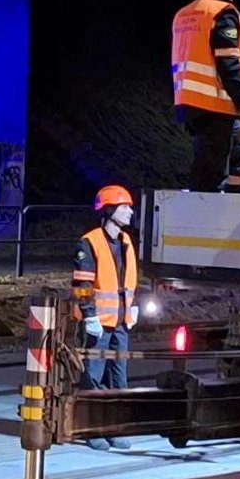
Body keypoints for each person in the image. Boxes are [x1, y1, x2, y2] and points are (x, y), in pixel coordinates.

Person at [172, 0, 240, 193]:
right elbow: (228, 63)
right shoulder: (223, 13)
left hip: (191, 107)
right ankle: (222, 224)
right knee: (225, 174)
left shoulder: (184, 14)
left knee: (206, 173)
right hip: (221, 108)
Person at [72, 184, 140, 450]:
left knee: (119, 379)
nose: (130, 212)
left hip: (121, 324)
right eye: (125, 207)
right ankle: (92, 430)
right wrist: (89, 316)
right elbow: (83, 286)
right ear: (110, 209)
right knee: (93, 378)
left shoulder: (125, 243)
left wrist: (131, 307)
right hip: (97, 325)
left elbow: (128, 282)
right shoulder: (89, 243)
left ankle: (114, 428)